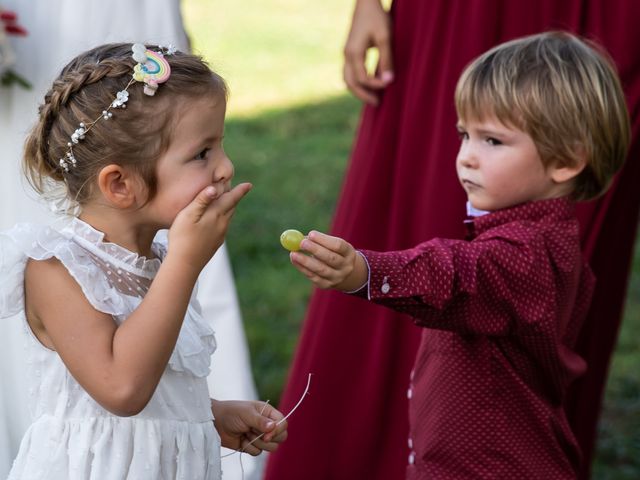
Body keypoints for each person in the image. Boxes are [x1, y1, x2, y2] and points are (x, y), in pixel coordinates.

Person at [265, 2, 640, 479]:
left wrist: (366, 272)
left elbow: (458, 274)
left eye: (493, 141)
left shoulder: (529, 255)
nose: (465, 157)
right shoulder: (533, 234)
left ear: (566, 160)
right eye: (465, 134)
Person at [0, 42, 288, 479]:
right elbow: (121, 388)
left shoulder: (157, 263)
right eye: (202, 153)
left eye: (220, 146)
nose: (226, 167)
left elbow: (153, 390)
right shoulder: (57, 267)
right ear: (120, 185)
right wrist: (185, 265)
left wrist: (209, 415)